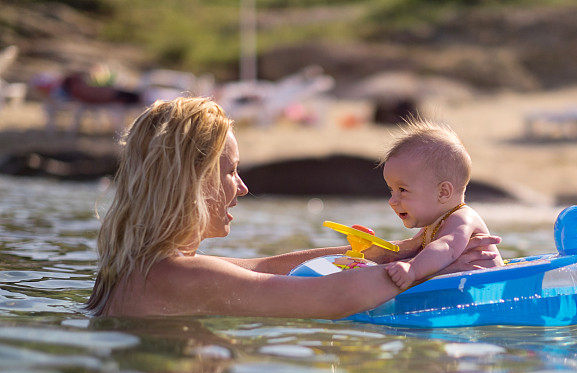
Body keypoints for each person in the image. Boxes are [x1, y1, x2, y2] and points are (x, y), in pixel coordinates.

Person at [86, 97, 501, 318]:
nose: (243, 188)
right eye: (230, 172)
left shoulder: (151, 265)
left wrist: (400, 251)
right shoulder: (176, 275)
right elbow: (331, 297)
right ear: (191, 182)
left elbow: (266, 267)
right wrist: (427, 272)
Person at [383, 118, 504, 290]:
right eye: (391, 190)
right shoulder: (434, 223)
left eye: (402, 190)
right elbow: (413, 250)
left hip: (489, 294)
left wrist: (412, 269)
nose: (392, 201)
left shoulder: (462, 218)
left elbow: (446, 247)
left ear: (443, 192)